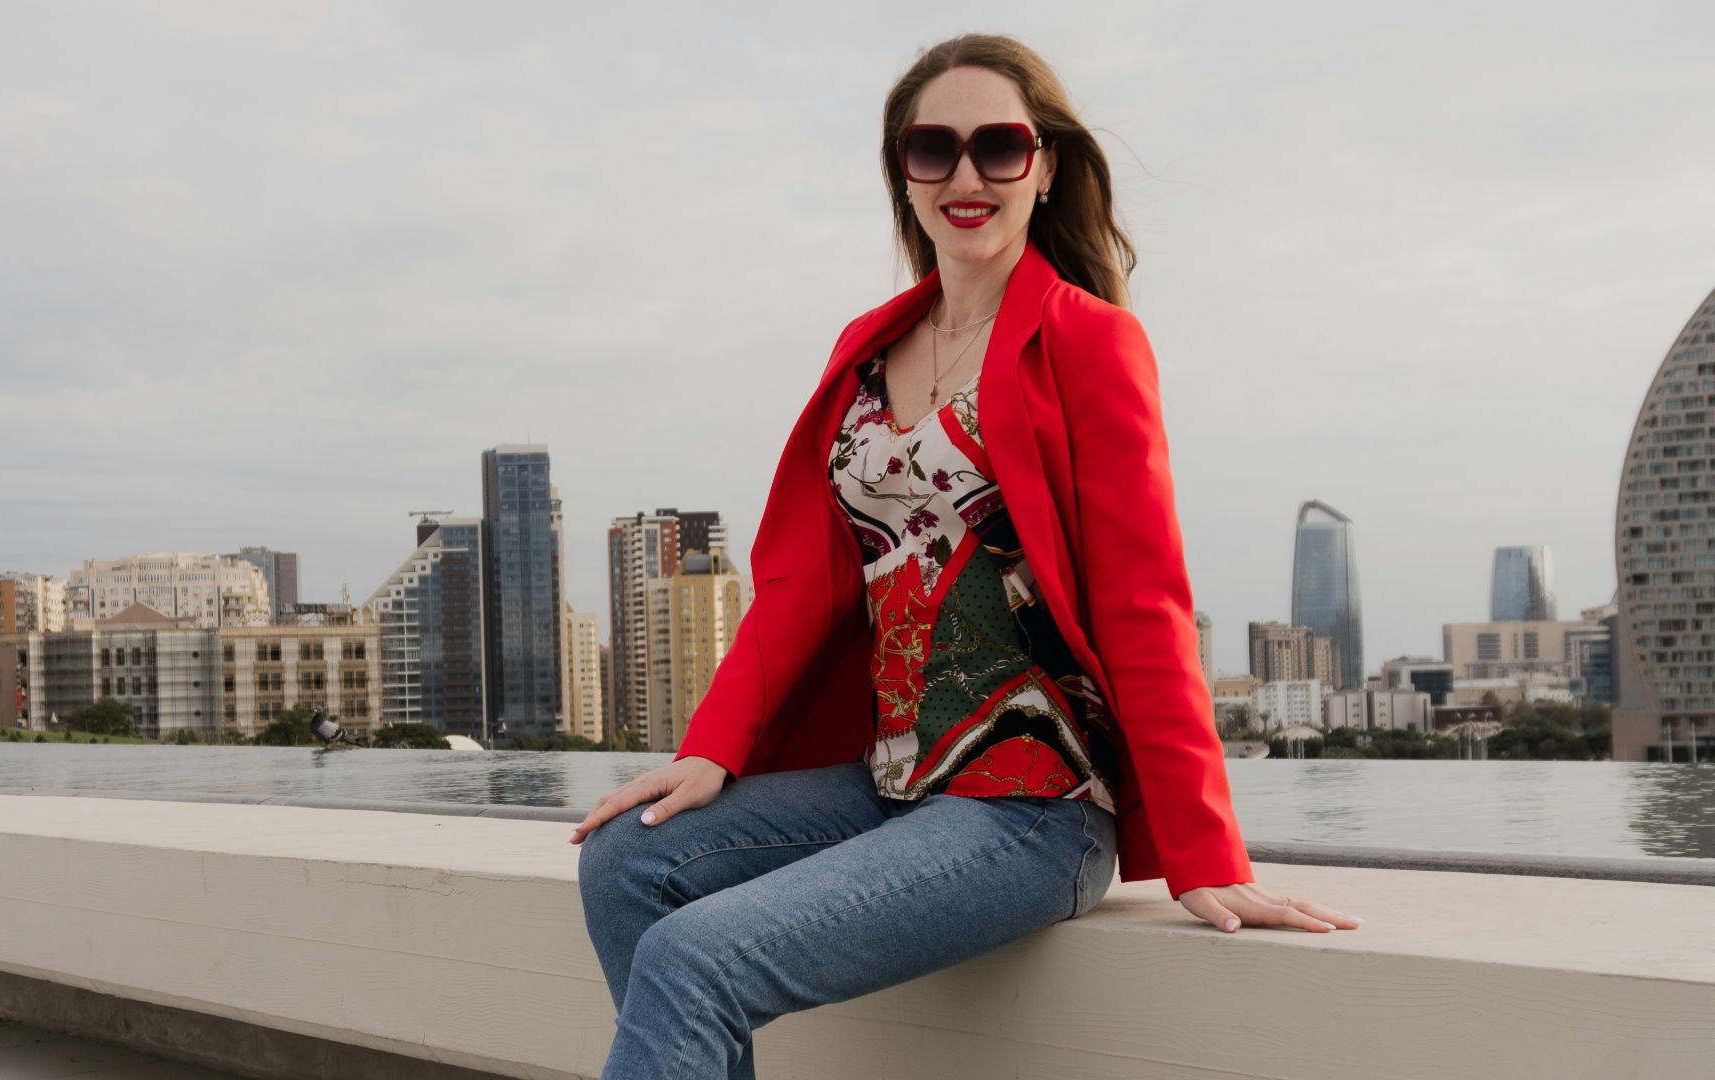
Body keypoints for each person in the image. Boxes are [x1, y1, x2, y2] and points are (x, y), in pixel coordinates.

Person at [570, 33, 1362, 1079]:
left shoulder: (1086, 341)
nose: (968, 176)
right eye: (932, 148)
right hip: (891, 783)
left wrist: (1206, 855)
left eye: (1001, 146)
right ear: (903, 172)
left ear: (1045, 167)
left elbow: (1144, 599)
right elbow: (803, 581)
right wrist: (710, 747)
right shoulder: (866, 349)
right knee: (627, 861)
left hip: (1033, 808)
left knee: (695, 958)